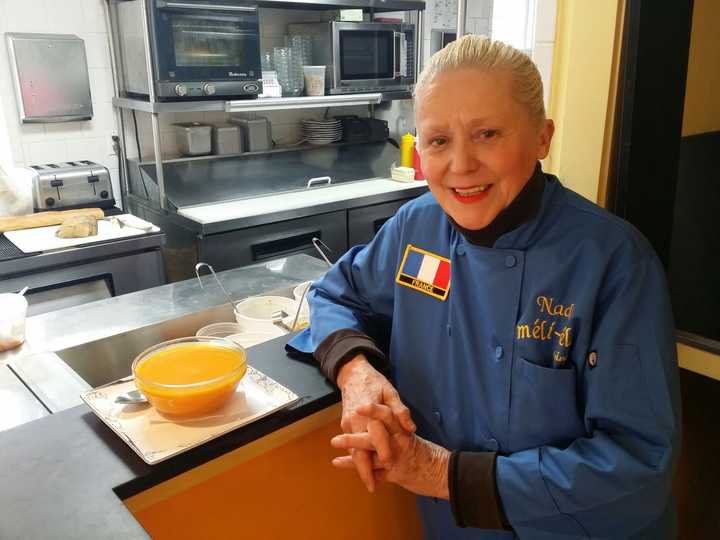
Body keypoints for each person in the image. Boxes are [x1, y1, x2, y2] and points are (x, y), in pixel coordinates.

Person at [288, 35, 681, 539]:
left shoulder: (614, 263)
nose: (461, 165)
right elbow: (333, 294)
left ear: (543, 137)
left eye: (488, 133)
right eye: (438, 141)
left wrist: (437, 471)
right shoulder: (417, 229)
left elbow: (638, 467)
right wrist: (355, 371)